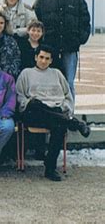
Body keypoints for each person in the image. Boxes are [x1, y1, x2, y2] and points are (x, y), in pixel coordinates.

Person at [16, 44, 91, 181]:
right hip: (34, 113)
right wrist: (29, 104)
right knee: (35, 104)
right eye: (41, 57)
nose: (43, 61)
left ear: (51, 60)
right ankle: (74, 123)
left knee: (59, 126)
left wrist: (64, 108)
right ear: (35, 57)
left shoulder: (57, 74)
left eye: (47, 58)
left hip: (55, 113)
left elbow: (67, 96)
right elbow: (20, 97)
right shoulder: (26, 73)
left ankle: (50, 168)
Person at [33, 0, 91, 99]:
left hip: (69, 48)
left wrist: (80, 39)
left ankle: (69, 114)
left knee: (68, 82)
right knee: (49, 82)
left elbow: (85, 20)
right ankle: (53, 112)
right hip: (49, 47)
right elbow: (35, 19)